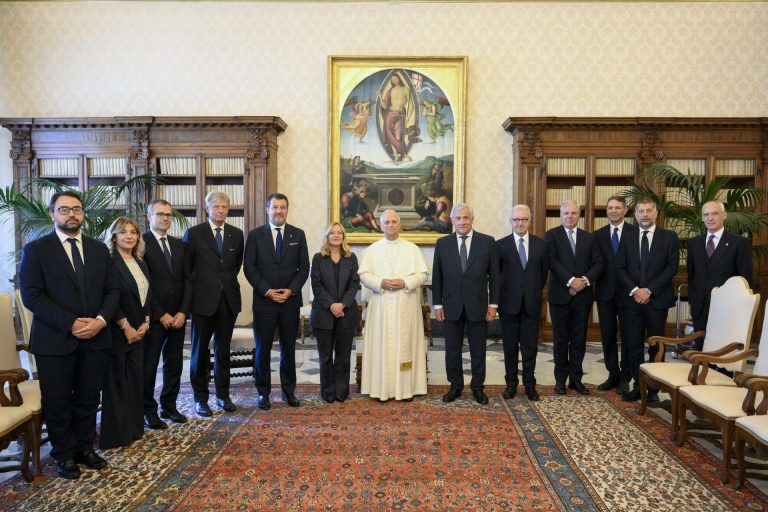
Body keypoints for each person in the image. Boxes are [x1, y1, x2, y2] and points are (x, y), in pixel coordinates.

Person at [19, 190, 120, 479]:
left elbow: (113, 290)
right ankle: (63, 454)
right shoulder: (36, 250)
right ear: (52, 213)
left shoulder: (99, 249)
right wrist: (70, 323)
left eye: (76, 209)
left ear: (83, 214)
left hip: (96, 337)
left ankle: (84, 447)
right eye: (64, 209)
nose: (71, 214)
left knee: (88, 398)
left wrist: (100, 321)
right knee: (58, 401)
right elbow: (32, 295)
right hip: (55, 339)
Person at [244, 193, 310, 410]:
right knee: (263, 349)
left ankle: (289, 392)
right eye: (275, 207)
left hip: (290, 302)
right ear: (267, 210)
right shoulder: (255, 235)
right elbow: (250, 268)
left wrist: (291, 290)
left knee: (288, 349)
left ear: (287, 210)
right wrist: (267, 291)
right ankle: (263, 393)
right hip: (265, 302)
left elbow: (304, 267)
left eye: (283, 207)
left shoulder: (298, 234)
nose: (279, 211)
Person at [184, 191, 244, 416]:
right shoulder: (194, 233)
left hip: (228, 300)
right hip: (202, 301)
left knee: (223, 351)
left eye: (224, 207)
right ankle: (200, 399)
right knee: (199, 352)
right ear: (207, 209)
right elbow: (187, 269)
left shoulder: (237, 234)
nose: (220, 210)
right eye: (216, 206)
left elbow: (234, 266)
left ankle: (223, 395)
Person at [358, 209, 429, 401]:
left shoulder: (412, 249)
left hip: (406, 304)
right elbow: (364, 275)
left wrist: (405, 282)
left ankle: (406, 390)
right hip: (380, 305)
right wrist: (381, 282)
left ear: (399, 224)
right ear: (381, 225)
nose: (390, 225)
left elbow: (422, 274)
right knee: (381, 345)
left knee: (405, 346)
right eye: (386, 222)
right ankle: (380, 388)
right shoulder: (372, 250)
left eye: (394, 222)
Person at [432, 204, 499, 405]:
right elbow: (437, 276)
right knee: (452, 349)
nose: (462, 221)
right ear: (452, 220)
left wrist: (493, 305)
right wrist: (437, 305)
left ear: (472, 219)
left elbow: (495, 277)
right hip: (450, 305)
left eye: (466, 217)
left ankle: (478, 387)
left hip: (478, 305)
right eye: (458, 218)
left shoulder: (487, 242)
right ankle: (455, 386)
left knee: (478, 349)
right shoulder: (442, 243)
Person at [616, 198, 679, 402]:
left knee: (656, 345)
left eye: (649, 210)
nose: (645, 214)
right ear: (635, 215)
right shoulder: (627, 237)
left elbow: (671, 267)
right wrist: (636, 290)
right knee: (633, 344)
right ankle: (639, 385)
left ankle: (653, 389)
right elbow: (620, 267)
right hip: (632, 300)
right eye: (641, 211)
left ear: (656, 213)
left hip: (657, 300)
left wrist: (649, 290)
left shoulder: (669, 237)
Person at [100, 217, 151, 450]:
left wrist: (146, 322)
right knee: (117, 384)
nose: (129, 236)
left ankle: (133, 429)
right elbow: (110, 297)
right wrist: (126, 326)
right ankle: (116, 435)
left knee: (134, 381)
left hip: (139, 330)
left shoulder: (140, 261)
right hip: (117, 331)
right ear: (114, 237)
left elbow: (148, 294)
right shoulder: (109, 262)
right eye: (123, 232)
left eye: (133, 232)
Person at [142, 199, 192, 429]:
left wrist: (183, 311)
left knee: (174, 364)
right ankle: (148, 411)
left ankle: (169, 406)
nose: (165, 218)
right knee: (150, 366)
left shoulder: (180, 245)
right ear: (149, 216)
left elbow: (188, 281)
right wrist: (160, 313)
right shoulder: (140, 243)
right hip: (154, 317)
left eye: (168, 215)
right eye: (160, 214)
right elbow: (144, 283)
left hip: (178, 316)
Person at [545, 200, 603, 396]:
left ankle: (576, 380)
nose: (570, 216)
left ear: (579, 215)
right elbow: (551, 262)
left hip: (583, 296)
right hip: (559, 296)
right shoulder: (551, 235)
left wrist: (583, 281)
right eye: (566, 213)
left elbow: (598, 263)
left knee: (579, 339)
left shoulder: (589, 238)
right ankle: (560, 380)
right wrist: (571, 281)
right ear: (560, 215)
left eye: (573, 213)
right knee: (561, 339)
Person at [497, 205, 548, 401]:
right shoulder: (500, 245)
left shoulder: (541, 244)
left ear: (530, 221)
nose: (520, 223)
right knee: (509, 347)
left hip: (531, 304)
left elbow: (543, 274)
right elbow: (496, 276)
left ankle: (530, 385)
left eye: (524, 219)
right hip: (508, 305)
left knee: (530, 347)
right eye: (516, 219)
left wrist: (531, 291)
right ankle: (511, 384)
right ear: (510, 221)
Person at [687, 200, 754, 349]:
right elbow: (691, 275)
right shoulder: (694, 243)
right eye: (706, 214)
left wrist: (743, 307)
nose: (710, 218)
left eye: (715, 213)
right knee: (701, 348)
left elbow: (746, 277)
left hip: (728, 306)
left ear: (724, 215)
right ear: (702, 218)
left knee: (723, 350)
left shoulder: (739, 243)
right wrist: (693, 299)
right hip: (699, 306)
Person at [309, 222, 360, 403]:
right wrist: (332, 305)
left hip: (346, 314)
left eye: (339, 233)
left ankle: (341, 391)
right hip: (323, 314)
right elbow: (316, 285)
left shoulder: (351, 258)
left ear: (343, 236)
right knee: (325, 357)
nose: (336, 235)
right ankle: (328, 392)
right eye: (332, 233)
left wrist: (342, 305)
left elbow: (354, 284)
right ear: (327, 236)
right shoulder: (318, 258)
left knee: (343, 356)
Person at [593, 196, 638, 395]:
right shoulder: (597, 235)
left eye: (617, 208)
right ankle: (612, 374)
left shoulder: (635, 233)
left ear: (625, 210)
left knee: (629, 336)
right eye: (610, 207)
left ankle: (625, 377)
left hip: (629, 293)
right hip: (605, 293)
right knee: (608, 335)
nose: (613, 211)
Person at [378, 72, 420, 162]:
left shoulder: (405, 89)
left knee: (398, 136)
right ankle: (396, 156)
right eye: (392, 80)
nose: (394, 81)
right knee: (391, 136)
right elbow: (384, 106)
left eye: (395, 79)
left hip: (400, 115)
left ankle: (404, 154)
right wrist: (380, 97)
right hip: (389, 114)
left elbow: (411, 105)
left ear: (399, 79)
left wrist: (408, 117)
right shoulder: (390, 91)